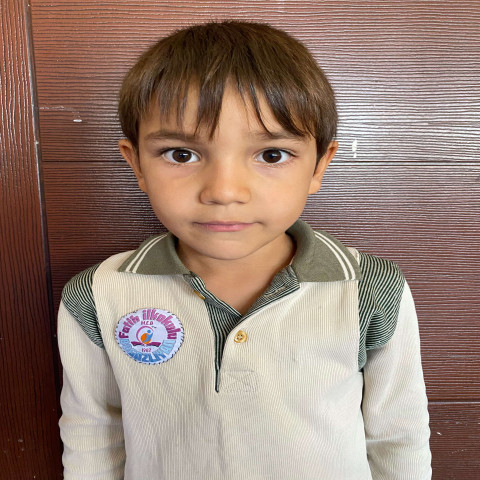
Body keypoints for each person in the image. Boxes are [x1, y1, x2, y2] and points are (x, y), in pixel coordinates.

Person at [57, 20, 431, 479]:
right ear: (136, 164)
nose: (224, 191)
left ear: (319, 166)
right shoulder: (97, 295)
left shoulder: (372, 289)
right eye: (181, 154)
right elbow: (93, 432)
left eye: (271, 155)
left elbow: (398, 436)